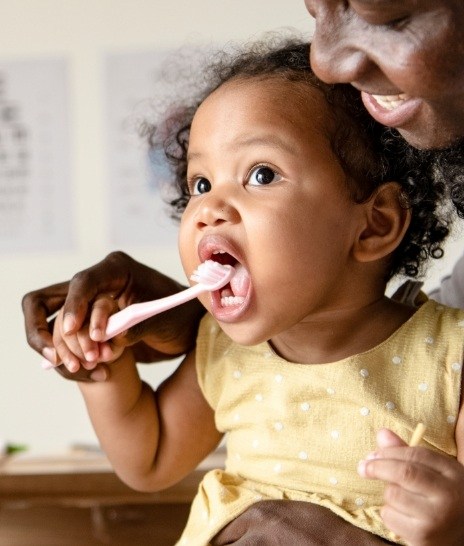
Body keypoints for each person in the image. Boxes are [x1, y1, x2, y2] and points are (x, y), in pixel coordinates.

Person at [20, 0, 464, 542]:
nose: (208, 208)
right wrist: (104, 374)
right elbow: (151, 459)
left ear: (373, 226)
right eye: (200, 184)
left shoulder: (450, 359)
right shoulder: (225, 351)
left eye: (260, 174)